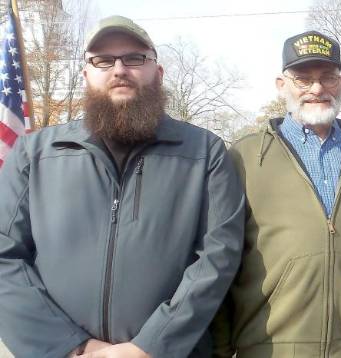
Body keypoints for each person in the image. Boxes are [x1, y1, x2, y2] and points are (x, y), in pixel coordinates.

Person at [0, 15, 245, 358]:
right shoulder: (34, 154)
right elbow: (4, 257)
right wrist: (73, 348)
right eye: (102, 60)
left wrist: (149, 347)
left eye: (134, 58)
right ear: (86, 76)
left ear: (157, 74)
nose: (119, 69)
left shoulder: (205, 154)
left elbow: (218, 258)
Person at [210, 30, 341, 358]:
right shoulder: (245, 159)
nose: (317, 89)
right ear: (282, 85)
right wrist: (221, 350)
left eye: (328, 77)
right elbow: (221, 260)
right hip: (269, 347)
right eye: (303, 79)